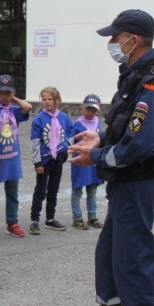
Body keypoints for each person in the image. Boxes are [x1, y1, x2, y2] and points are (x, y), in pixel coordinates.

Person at [69, 9, 154, 306]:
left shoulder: (149, 84)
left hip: (136, 181)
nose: (112, 43)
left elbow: (138, 145)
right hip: (126, 181)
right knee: (110, 249)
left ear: (132, 40)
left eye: (115, 37)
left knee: (132, 255)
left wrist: (94, 157)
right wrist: (101, 137)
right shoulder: (134, 76)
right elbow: (126, 130)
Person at [0, 74, 32, 240]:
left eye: (8, 92)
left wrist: (14, 99)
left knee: (12, 194)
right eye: (1, 92)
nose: (4, 95)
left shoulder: (14, 111)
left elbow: (28, 107)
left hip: (12, 159)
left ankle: (12, 223)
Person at [29, 87, 74, 235]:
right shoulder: (38, 119)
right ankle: (34, 220)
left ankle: (50, 218)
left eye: (50, 99)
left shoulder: (64, 118)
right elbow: (35, 142)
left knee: (53, 190)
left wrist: (67, 145)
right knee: (40, 190)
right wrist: (37, 162)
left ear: (57, 101)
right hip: (44, 160)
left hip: (58, 158)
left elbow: (71, 133)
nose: (47, 102)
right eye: (44, 99)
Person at [70, 94, 104, 230]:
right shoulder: (77, 125)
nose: (90, 112)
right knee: (77, 191)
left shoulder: (98, 124)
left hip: (94, 162)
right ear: (82, 107)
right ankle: (77, 217)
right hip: (80, 162)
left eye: (93, 110)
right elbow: (71, 142)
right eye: (88, 109)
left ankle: (92, 216)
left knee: (92, 190)